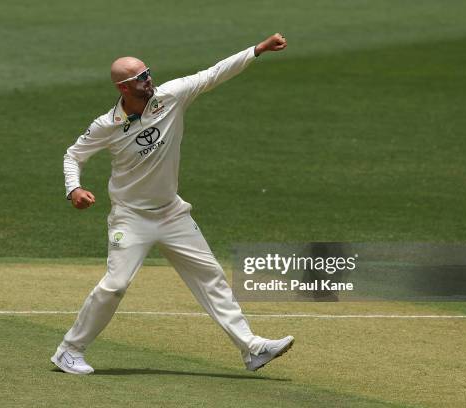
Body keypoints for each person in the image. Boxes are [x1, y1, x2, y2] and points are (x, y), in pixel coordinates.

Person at [52, 33, 294, 375]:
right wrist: (73, 188)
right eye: (140, 77)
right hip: (130, 218)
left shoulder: (171, 96)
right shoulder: (106, 126)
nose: (149, 79)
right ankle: (69, 351)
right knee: (116, 285)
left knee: (211, 277)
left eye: (148, 72)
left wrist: (257, 50)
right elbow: (73, 155)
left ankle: (252, 348)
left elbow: (213, 73)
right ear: (123, 87)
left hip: (172, 214)